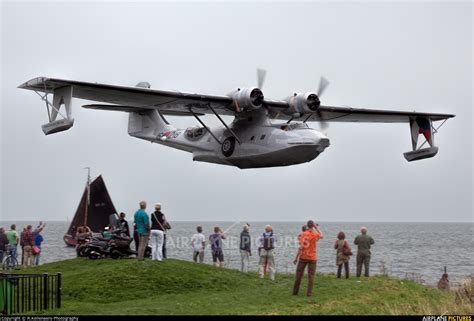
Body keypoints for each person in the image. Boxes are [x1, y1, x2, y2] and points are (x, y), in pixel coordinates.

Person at [293, 220, 323, 296]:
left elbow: (301, 247)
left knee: (299, 275)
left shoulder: (303, 234)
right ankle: (309, 293)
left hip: (303, 256)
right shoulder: (315, 234)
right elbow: (321, 235)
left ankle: (295, 292)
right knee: (311, 276)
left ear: (307, 225)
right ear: (313, 226)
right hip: (312, 257)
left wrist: (296, 258)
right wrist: (316, 227)